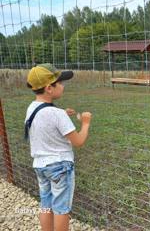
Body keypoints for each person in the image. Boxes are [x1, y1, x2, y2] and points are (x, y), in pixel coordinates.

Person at [25, 63, 92, 231]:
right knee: (61, 209)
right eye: (60, 83)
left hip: (40, 165)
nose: (63, 86)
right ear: (49, 88)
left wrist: (62, 113)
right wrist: (85, 123)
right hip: (60, 166)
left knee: (46, 205)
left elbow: (46, 117)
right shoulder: (57, 114)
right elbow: (78, 141)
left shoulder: (32, 108)